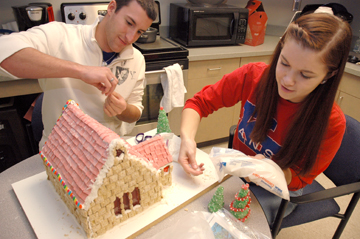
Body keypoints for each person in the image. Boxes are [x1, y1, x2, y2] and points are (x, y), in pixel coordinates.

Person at [178, 12, 352, 226]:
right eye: (284, 63)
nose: (288, 80)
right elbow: (198, 104)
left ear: (328, 75)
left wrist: (270, 170)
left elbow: (299, 179)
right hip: (239, 174)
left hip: (279, 187)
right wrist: (187, 138)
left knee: (226, 224)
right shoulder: (253, 76)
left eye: (305, 75)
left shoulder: (331, 123)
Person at [0, 0, 156, 148]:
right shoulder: (62, 37)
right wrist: (81, 71)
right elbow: (4, 50)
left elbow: (135, 111)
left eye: (139, 32)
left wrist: (123, 109)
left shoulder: (136, 59)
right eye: (129, 23)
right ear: (111, 8)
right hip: (61, 154)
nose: (130, 37)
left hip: (108, 153)